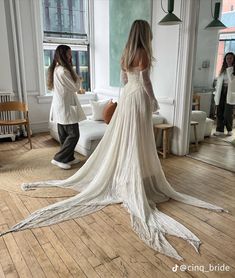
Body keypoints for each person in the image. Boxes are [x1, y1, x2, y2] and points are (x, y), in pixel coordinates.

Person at [0, 20, 227, 260]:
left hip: (129, 96)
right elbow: (146, 81)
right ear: (145, 34)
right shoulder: (143, 52)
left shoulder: (126, 53)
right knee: (138, 138)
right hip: (139, 97)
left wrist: (133, 93)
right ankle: (134, 176)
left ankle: (126, 174)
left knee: (127, 137)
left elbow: (125, 79)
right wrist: (155, 101)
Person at [48, 45, 86, 170]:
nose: (71, 56)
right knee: (74, 134)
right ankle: (59, 158)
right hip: (65, 106)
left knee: (64, 134)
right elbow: (75, 87)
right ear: (63, 55)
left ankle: (68, 157)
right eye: (69, 54)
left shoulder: (57, 69)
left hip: (61, 105)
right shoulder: (63, 71)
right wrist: (79, 79)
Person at [214, 52, 235, 136]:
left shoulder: (233, 70)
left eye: (230, 58)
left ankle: (229, 129)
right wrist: (215, 93)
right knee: (219, 111)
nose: (228, 60)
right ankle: (220, 130)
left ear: (233, 59)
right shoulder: (222, 70)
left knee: (227, 113)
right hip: (221, 92)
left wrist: (230, 68)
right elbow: (218, 83)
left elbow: (232, 81)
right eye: (227, 58)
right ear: (225, 59)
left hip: (230, 93)